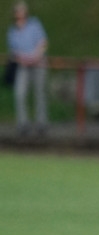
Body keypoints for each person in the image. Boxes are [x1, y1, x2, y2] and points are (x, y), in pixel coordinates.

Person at [6, 1, 47, 137]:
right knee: (20, 93)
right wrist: (23, 59)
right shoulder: (13, 31)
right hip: (23, 65)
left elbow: (43, 42)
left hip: (38, 63)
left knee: (39, 93)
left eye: (22, 11)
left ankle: (41, 123)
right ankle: (23, 124)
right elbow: (14, 52)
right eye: (17, 12)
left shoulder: (34, 24)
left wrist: (36, 56)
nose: (20, 14)